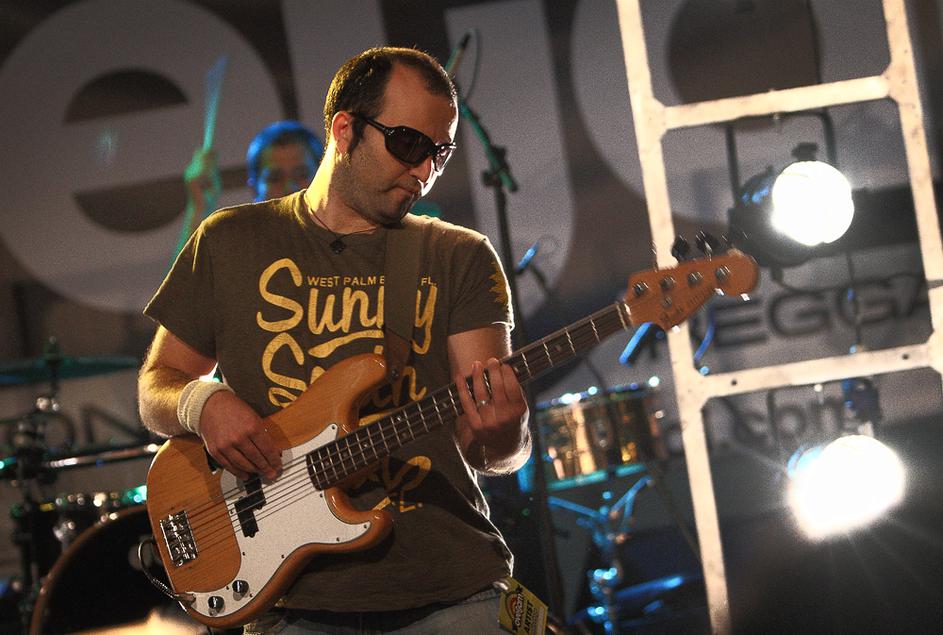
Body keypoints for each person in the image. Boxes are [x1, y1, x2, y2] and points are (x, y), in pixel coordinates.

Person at [138, 46, 531, 634]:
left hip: (453, 585)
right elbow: (156, 388)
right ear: (345, 130)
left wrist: (506, 434)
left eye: (440, 153)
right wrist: (204, 403)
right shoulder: (229, 241)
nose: (424, 171)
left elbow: (492, 452)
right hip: (289, 598)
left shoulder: (459, 255)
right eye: (409, 145)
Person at [174, 120, 325, 257]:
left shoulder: (338, 244)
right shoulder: (240, 255)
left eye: (302, 174)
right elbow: (185, 278)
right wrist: (199, 208)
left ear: (323, 179)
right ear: (254, 188)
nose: (290, 186)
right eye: (275, 177)